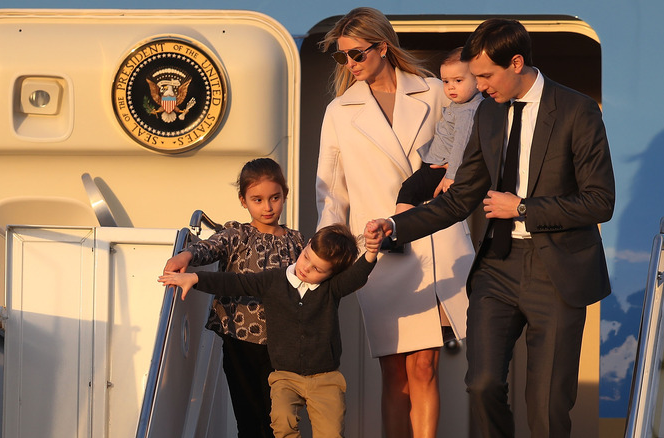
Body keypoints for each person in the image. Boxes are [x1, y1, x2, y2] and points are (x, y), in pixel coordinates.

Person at [367, 18, 616, 438]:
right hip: (497, 268)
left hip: (557, 272)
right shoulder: (487, 113)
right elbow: (460, 197)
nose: (479, 86)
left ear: (516, 63)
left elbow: (599, 202)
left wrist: (521, 208)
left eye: (485, 75)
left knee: (547, 405)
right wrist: (394, 225)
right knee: (481, 384)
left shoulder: (577, 110)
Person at [316, 7, 473, 438]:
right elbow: (331, 192)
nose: (349, 63)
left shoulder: (437, 92)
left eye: (356, 53)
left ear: (382, 47)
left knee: (425, 366)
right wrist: (329, 253)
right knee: (394, 372)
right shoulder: (339, 111)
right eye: (342, 56)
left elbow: (466, 152)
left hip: (438, 241)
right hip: (380, 251)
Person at [159, 224, 381, 438]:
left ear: (332, 274)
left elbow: (356, 276)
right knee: (281, 422)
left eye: (317, 269)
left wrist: (371, 253)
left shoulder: (332, 289)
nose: (306, 268)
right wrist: (195, 278)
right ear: (308, 244)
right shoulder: (274, 280)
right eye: (306, 257)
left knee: (331, 432)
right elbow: (237, 282)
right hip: (285, 376)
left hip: (325, 377)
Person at [162, 158, 304, 438]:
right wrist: (185, 255)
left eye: (275, 198)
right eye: (258, 199)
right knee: (249, 416)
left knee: (280, 417)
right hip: (239, 339)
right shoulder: (237, 235)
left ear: (285, 195)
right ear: (243, 200)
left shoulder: (297, 241)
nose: (267, 207)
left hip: (282, 342)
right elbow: (209, 247)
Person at [395, 47, 483, 214]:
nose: (451, 87)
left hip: (443, 169)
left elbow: (461, 143)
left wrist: (452, 175)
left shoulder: (468, 111)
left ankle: (395, 232)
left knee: (408, 191)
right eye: (446, 81)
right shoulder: (461, 105)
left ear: (477, 80)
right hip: (440, 165)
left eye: (458, 81)